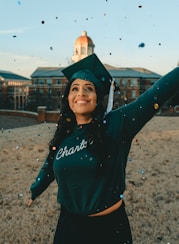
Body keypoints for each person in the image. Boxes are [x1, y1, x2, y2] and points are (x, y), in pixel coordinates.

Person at [28, 53, 179, 244]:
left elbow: (156, 93)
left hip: (109, 229)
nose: (81, 93)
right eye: (75, 88)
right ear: (68, 98)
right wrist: (36, 189)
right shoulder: (64, 132)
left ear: (98, 97)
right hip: (69, 227)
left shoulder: (117, 124)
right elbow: (50, 164)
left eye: (88, 88)